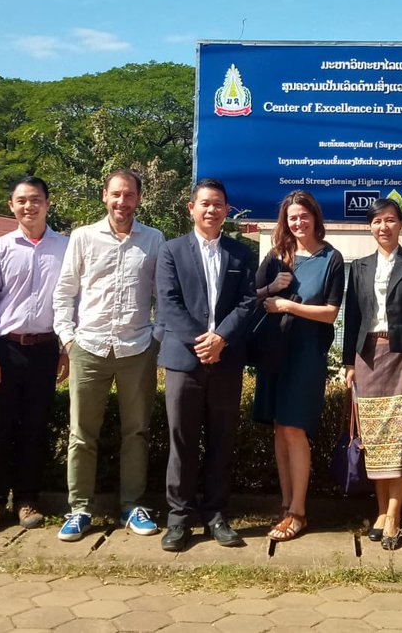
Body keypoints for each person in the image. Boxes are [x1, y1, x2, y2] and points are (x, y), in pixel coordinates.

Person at [53, 169, 166, 542]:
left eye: (129, 195)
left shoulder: (153, 239)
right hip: (89, 347)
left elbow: (162, 296)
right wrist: (68, 339)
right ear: (104, 196)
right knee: (82, 434)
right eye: (116, 194)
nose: (122, 201)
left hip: (137, 349)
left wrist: (157, 338)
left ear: (138, 198)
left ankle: (132, 506)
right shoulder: (83, 237)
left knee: (137, 432)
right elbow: (64, 292)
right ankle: (79, 509)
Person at [156, 178, 258, 552]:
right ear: (192, 208)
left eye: (218, 204)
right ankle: (179, 519)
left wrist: (222, 339)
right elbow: (168, 303)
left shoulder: (240, 252)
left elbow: (248, 302)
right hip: (185, 361)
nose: (211, 210)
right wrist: (202, 343)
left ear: (226, 210)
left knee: (221, 440)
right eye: (205, 203)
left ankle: (216, 515)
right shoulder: (171, 251)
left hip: (226, 360)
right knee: (181, 441)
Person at [342, 197, 402, 551]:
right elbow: (352, 317)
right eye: (376, 222)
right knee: (375, 441)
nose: (383, 227)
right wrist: (348, 363)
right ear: (369, 227)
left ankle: (396, 514)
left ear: (401, 224)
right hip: (368, 358)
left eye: (390, 220)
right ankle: (381, 510)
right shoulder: (360, 267)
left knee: (401, 440)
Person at [0, 176, 70, 534]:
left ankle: (27, 500)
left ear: (48, 203)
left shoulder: (66, 246)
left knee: (34, 428)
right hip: (5, 348)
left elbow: (70, 301)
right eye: (22, 200)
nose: (29, 206)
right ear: (11, 205)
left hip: (45, 349)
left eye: (36, 200)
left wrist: (65, 347)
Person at [252, 191, 344, 542]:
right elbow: (253, 296)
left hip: (307, 354)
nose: (298, 222)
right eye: (292, 217)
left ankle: (299, 512)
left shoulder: (331, 258)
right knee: (279, 427)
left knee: (295, 429)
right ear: (285, 221)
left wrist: (288, 306)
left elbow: (331, 313)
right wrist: (271, 289)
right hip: (275, 351)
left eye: (304, 215)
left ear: (315, 217)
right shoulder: (277, 254)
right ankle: (286, 502)